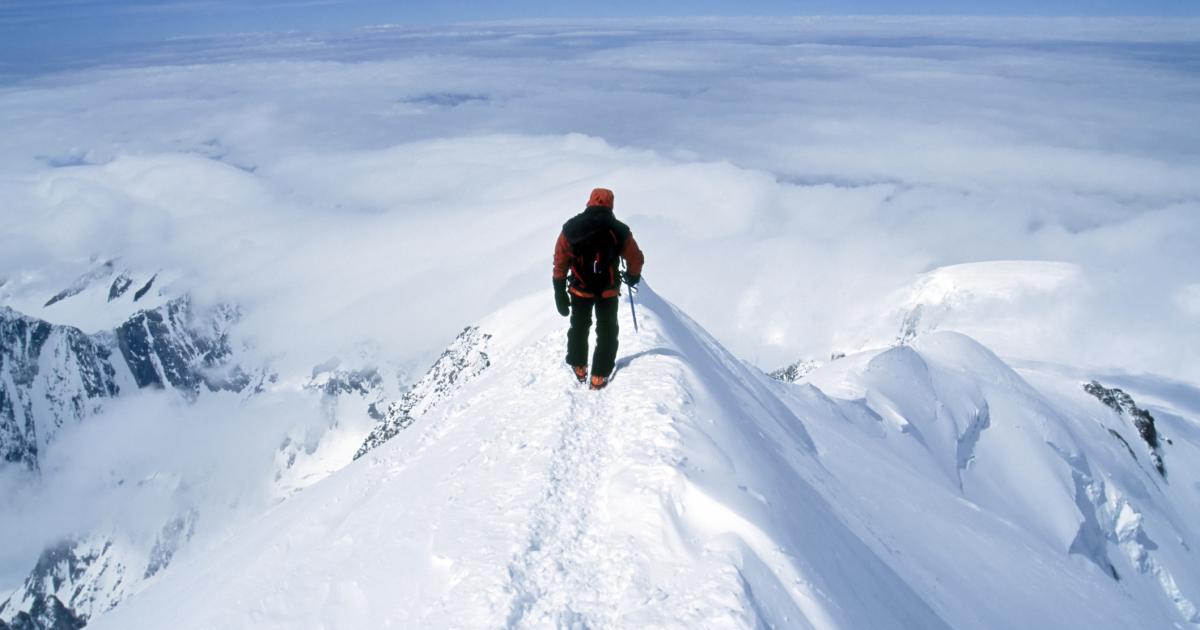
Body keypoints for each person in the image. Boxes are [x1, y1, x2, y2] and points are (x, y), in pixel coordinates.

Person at [552, 187, 645, 390]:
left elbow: (560, 259)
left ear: (590, 202)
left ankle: (579, 366)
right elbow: (635, 258)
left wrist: (559, 291)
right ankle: (599, 375)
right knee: (607, 330)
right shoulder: (619, 230)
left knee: (579, 327)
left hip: (580, 289)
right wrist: (632, 277)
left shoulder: (571, 228)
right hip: (607, 291)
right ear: (611, 204)